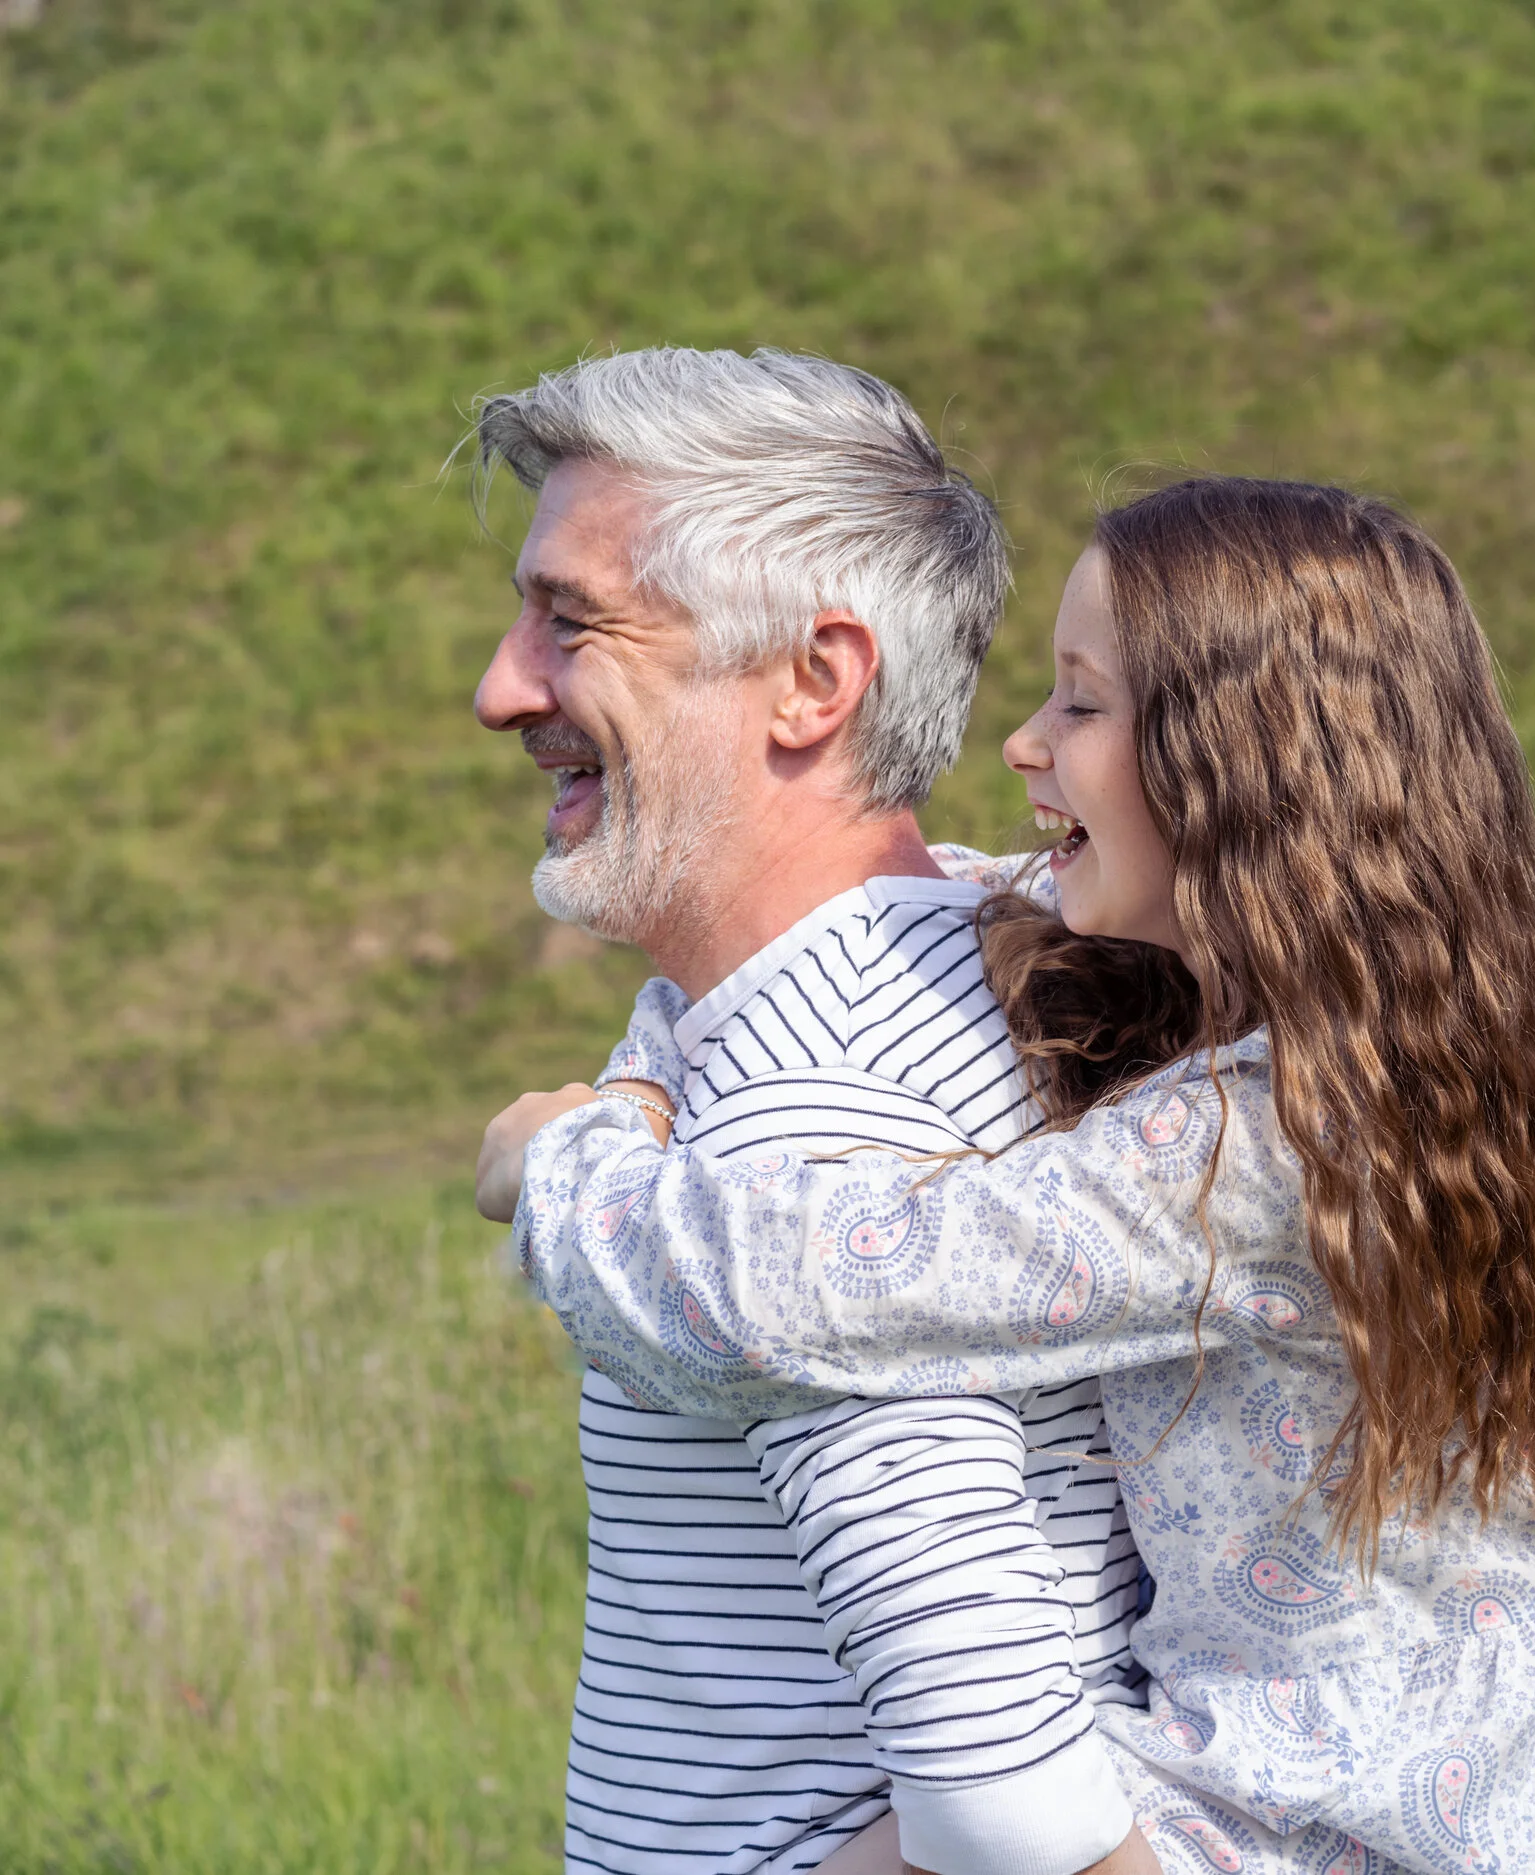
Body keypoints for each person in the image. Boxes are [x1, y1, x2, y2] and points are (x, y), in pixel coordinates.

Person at [480, 477, 1535, 1872]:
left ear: (1246, 764)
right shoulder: (1414, 1056)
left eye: (1083, 705)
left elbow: (824, 1296)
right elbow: (917, 902)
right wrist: (685, 1010)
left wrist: (571, 1157)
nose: (1023, 742)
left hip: (1267, 1837)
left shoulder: (1252, 1153)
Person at [466, 346, 1160, 1875]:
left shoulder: (809, 1139)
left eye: (571, 621)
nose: (500, 685)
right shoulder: (987, 936)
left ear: (814, 683)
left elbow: (1016, 1824)